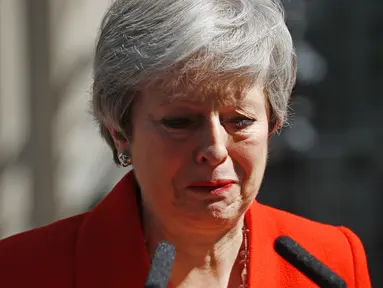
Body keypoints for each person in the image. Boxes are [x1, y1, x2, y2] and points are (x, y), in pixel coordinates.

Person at [0, 0, 371, 287]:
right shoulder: (22, 269)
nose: (214, 148)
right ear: (120, 132)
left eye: (239, 120)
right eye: (179, 122)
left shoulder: (332, 259)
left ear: (272, 123)